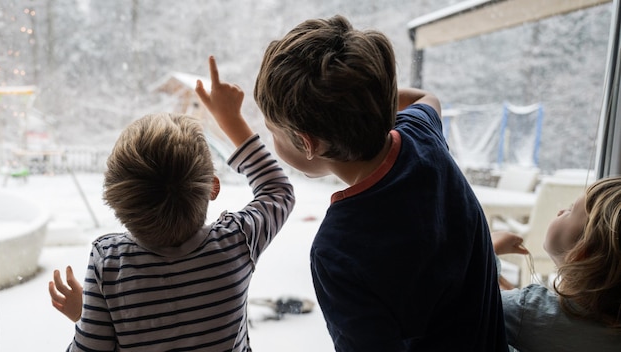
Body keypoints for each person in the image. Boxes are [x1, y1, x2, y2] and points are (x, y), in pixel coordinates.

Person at [253, 15, 507, 351]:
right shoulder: (421, 136)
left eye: (273, 131)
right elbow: (427, 98)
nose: (270, 138)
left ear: (309, 143)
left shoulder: (338, 249)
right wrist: (364, 101)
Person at [48, 55, 295, 351]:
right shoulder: (235, 242)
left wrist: (85, 317)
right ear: (212, 187)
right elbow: (278, 190)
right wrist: (232, 120)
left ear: (115, 199)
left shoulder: (110, 263)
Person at [492, 176, 621, 351]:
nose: (561, 211)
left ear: (581, 253)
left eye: (570, 210)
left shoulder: (528, 310)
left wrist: (490, 250)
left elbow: (470, 304)